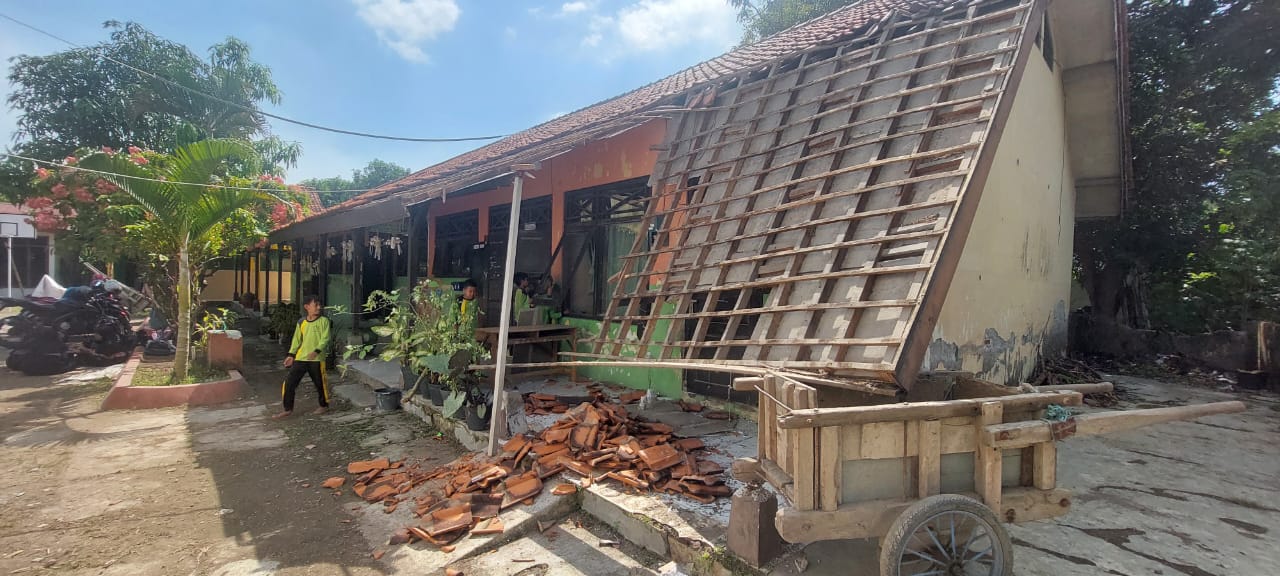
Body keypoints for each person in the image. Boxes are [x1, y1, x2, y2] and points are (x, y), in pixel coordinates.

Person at [273, 295, 332, 419]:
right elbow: (296, 339)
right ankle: (287, 409)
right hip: (300, 357)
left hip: (316, 359)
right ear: (307, 307)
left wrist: (316, 351)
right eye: (316, 305)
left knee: (320, 383)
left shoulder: (324, 321)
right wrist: (291, 355)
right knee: (289, 383)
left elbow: (325, 338)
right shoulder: (301, 322)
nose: (319, 307)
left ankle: (324, 405)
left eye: (319, 305)